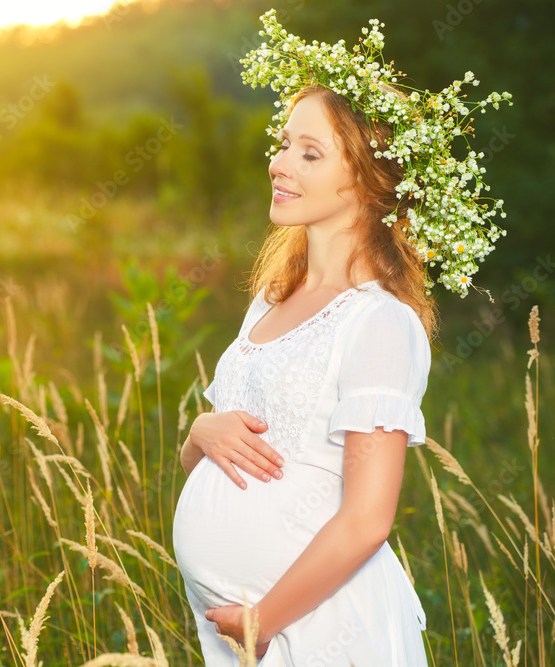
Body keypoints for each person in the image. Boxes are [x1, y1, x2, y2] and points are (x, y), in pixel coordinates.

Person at [171, 10, 511, 666]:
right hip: (243, 635)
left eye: (310, 152)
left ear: (364, 177)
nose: (279, 164)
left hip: (321, 631)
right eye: (283, 142)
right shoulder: (269, 301)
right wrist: (198, 434)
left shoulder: (379, 321)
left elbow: (366, 518)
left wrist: (263, 619)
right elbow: (226, 462)